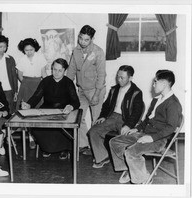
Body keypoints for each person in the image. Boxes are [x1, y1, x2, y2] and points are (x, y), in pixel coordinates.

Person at [109, 70, 182, 184]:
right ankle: (130, 169)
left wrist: (151, 138)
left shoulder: (173, 103)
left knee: (131, 152)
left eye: (155, 82)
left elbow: (171, 127)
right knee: (115, 142)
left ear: (164, 84)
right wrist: (137, 128)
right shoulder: (156, 100)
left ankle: (143, 178)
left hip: (158, 139)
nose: (153, 85)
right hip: (145, 134)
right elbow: (147, 119)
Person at [21, 58, 80, 159]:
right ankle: (46, 147)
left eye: (59, 70)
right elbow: (36, 96)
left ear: (64, 71)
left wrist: (70, 106)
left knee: (65, 127)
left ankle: (63, 149)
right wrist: (29, 105)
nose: (56, 73)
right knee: (35, 126)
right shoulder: (46, 81)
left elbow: (76, 101)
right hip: (47, 109)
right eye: (54, 69)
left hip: (63, 110)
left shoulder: (68, 82)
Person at [88, 65, 144, 168]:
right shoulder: (114, 89)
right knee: (93, 131)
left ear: (130, 78)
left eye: (122, 77)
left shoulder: (136, 92)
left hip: (125, 119)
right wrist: (103, 116)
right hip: (112, 117)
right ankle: (103, 157)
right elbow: (106, 105)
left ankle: (124, 167)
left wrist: (128, 125)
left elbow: (137, 112)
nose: (119, 79)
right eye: (118, 76)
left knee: (121, 138)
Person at [66, 25, 106, 154]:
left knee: (96, 121)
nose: (82, 42)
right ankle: (84, 145)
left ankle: (98, 151)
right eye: (80, 38)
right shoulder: (76, 50)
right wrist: (66, 88)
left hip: (95, 90)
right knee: (79, 117)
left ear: (92, 39)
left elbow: (101, 75)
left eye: (86, 40)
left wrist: (97, 94)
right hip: (81, 91)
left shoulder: (98, 52)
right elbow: (71, 71)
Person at [16, 38, 48, 149]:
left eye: (31, 49)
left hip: (38, 84)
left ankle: (41, 138)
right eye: (26, 50)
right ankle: (30, 138)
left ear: (35, 48)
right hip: (26, 85)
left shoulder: (40, 57)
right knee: (27, 113)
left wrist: (47, 86)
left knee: (39, 112)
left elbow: (44, 73)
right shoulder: (22, 59)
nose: (29, 52)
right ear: (23, 50)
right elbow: (19, 75)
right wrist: (25, 84)